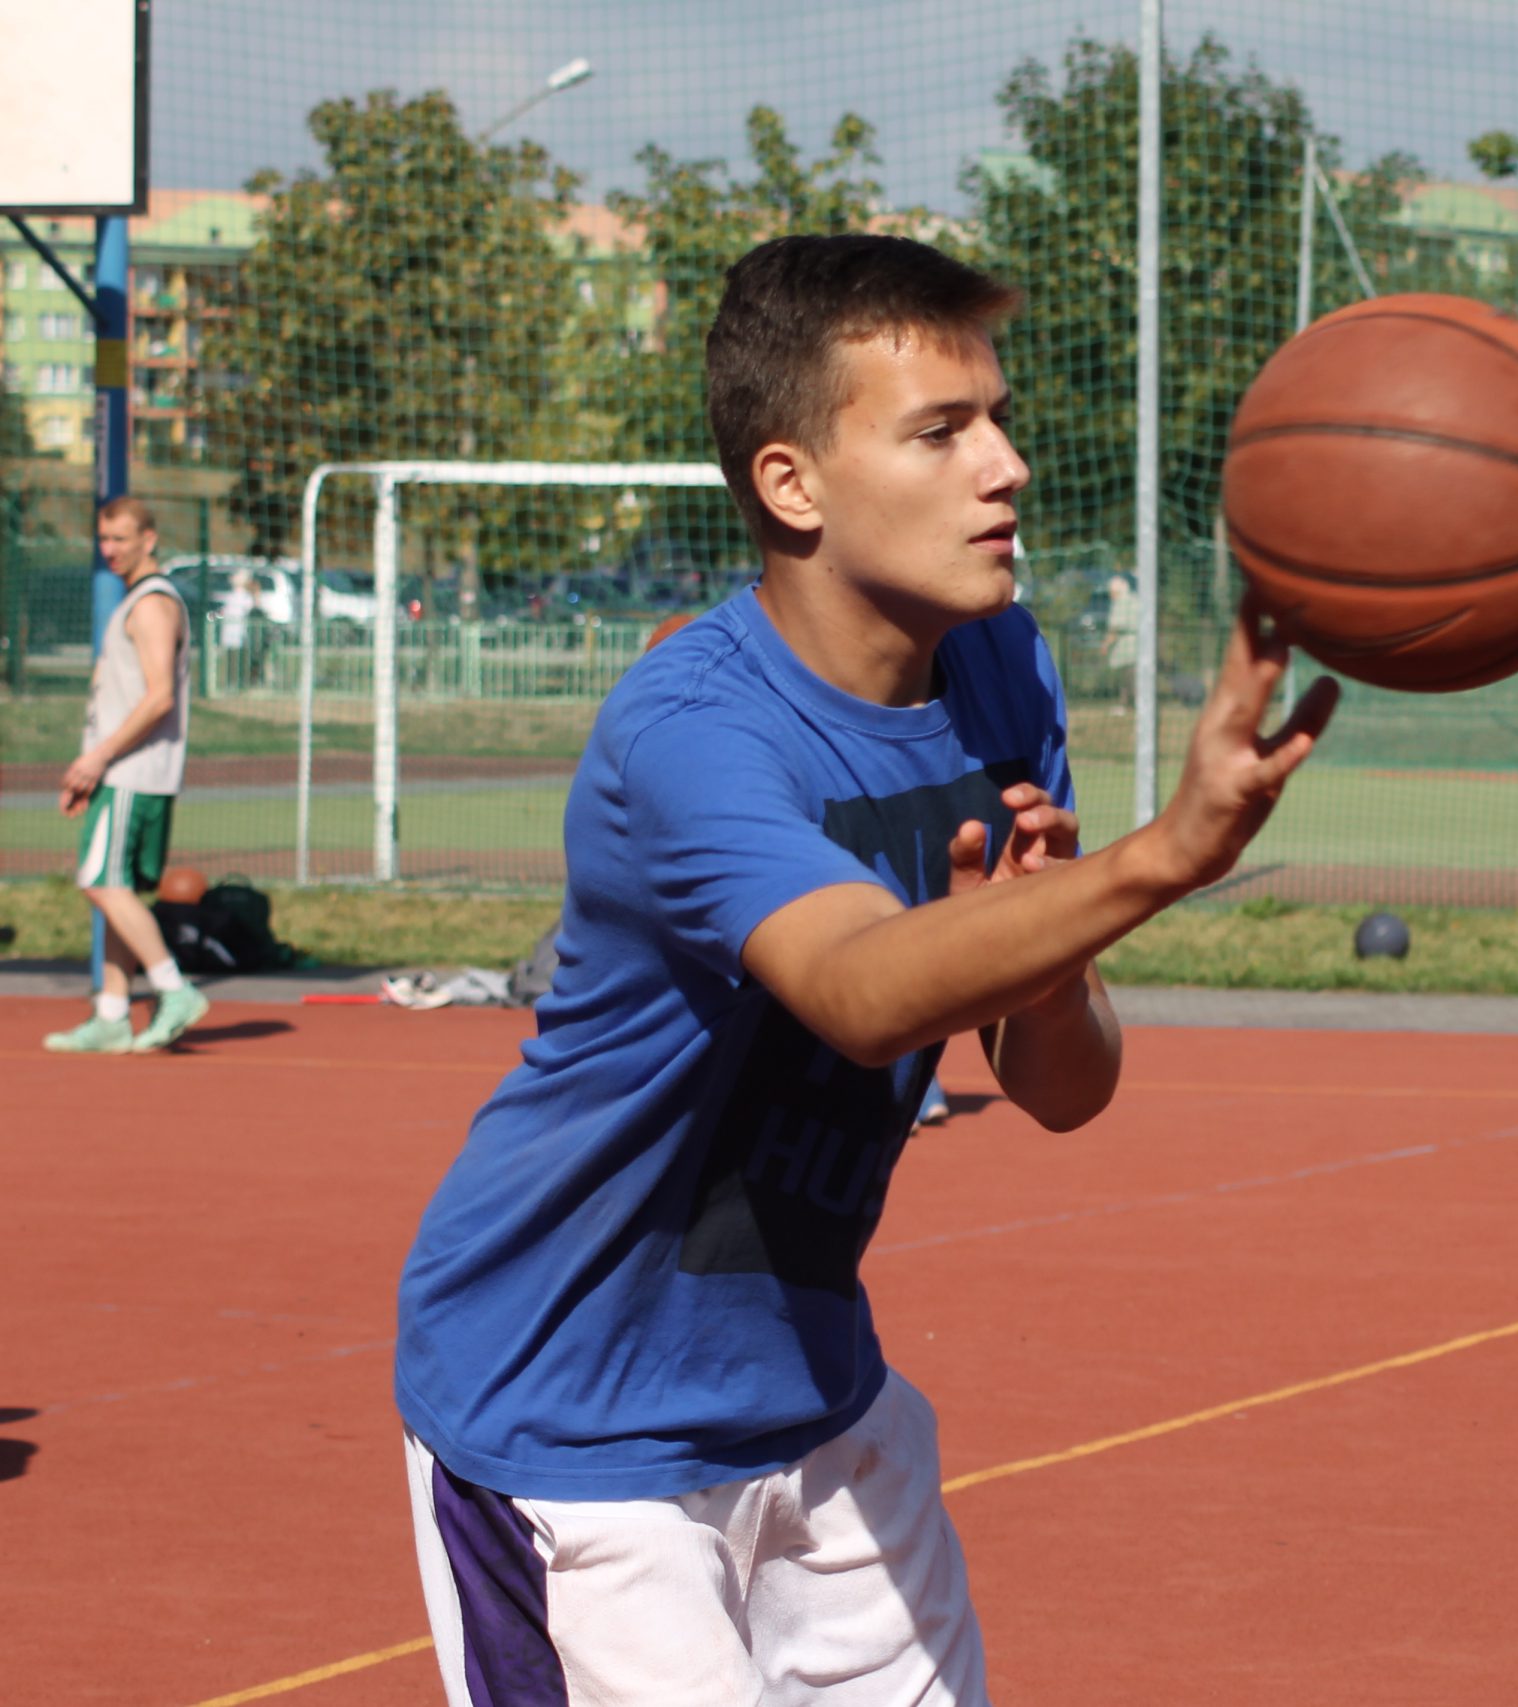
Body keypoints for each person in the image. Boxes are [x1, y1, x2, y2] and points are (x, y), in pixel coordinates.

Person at [394, 234, 1337, 1706]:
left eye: (999, 418)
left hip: (815, 1395)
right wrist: (1164, 854)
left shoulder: (999, 665)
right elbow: (855, 991)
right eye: (941, 431)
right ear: (792, 484)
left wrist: (1042, 961)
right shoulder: (693, 733)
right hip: (576, 1423)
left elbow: (1065, 1086)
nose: (1007, 466)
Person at [43, 497, 211, 1055]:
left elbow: (159, 697)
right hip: (123, 772)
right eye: (104, 539)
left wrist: (98, 759)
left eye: (120, 538)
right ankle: (113, 1015)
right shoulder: (137, 601)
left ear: (149, 539)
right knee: (115, 888)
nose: (109, 549)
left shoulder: (152, 604)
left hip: (132, 773)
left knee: (101, 882)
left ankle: (174, 988)